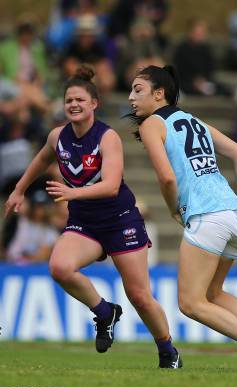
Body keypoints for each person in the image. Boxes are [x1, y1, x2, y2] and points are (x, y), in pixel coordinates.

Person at [3, 66, 182, 369]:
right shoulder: (57, 136)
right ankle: (104, 312)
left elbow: (111, 186)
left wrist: (72, 194)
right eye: (69, 100)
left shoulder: (108, 137)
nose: (73, 104)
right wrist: (19, 190)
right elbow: (40, 160)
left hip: (120, 219)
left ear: (94, 104)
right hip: (85, 223)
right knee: (60, 267)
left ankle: (167, 350)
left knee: (139, 295)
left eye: (80, 100)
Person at [127, 65, 237, 371]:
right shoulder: (192, 119)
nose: (131, 97)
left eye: (138, 90)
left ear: (159, 93)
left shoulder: (152, 124)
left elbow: (166, 178)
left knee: (190, 303)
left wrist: (173, 208)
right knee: (213, 292)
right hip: (231, 211)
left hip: (207, 216)